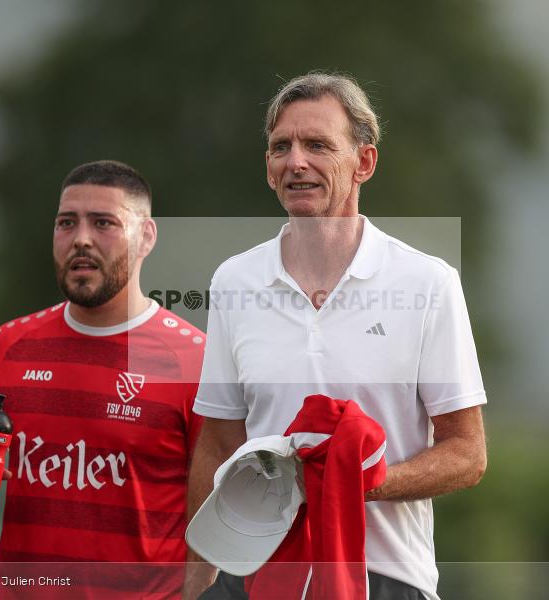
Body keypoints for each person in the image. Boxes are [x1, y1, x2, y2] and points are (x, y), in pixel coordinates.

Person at [184, 73, 488, 600]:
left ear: (363, 164)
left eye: (318, 145)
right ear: (268, 169)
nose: (295, 161)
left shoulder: (427, 282)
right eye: (282, 147)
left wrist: (354, 480)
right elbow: (217, 443)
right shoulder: (234, 281)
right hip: (256, 577)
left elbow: (467, 453)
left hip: (386, 577)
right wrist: (198, 580)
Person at [0, 160, 205, 599]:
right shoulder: (8, 345)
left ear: (147, 237)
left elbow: (219, 520)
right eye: (66, 223)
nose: (81, 239)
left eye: (104, 223)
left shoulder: (196, 360)